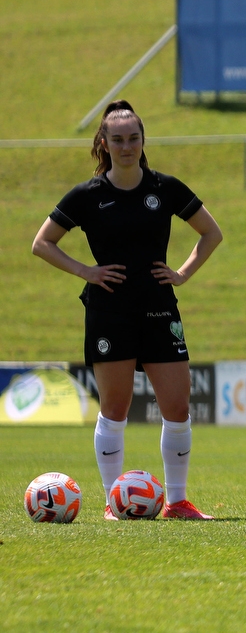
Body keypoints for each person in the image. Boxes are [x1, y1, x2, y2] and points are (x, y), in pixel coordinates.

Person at [31, 100, 223, 521]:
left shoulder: (165, 188)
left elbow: (212, 232)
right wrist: (86, 270)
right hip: (109, 310)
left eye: (133, 138)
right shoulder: (87, 195)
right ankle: (112, 504)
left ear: (142, 140)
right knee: (114, 408)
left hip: (158, 307)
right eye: (117, 139)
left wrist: (184, 273)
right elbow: (42, 243)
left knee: (178, 406)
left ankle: (176, 502)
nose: (126, 146)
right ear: (103, 143)